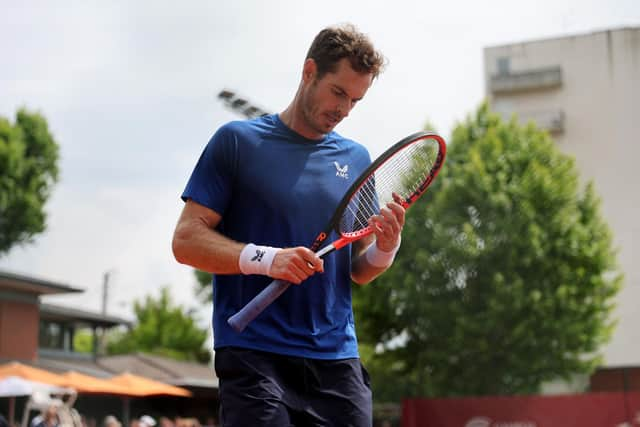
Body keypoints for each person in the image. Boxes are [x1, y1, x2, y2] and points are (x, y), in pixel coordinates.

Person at [173, 23, 403, 426]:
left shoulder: (357, 158)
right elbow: (186, 241)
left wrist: (387, 247)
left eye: (355, 100)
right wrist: (267, 259)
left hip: (336, 358)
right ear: (309, 71)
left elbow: (358, 270)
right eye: (338, 92)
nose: (344, 109)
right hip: (253, 355)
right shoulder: (236, 142)